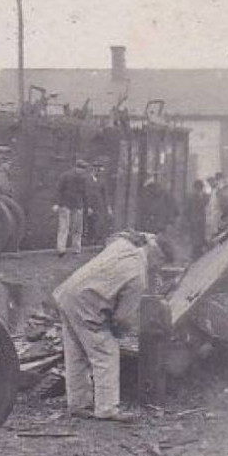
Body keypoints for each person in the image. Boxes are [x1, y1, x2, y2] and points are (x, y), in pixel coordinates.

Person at [51, 232, 170, 421]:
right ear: (158, 255)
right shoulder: (138, 276)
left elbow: (114, 237)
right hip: (86, 304)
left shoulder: (123, 245)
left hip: (67, 294)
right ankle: (107, 409)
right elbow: (122, 317)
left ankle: (78, 404)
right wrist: (122, 332)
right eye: (161, 264)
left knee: (76, 353)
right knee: (106, 353)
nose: (159, 268)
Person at [54, 159, 90, 255]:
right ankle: (61, 249)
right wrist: (57, 203)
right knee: (63, 227)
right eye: (81, 168)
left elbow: (85, 193)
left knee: (77, 228)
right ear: (76, 167)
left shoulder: (83, 178)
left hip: (78, 205)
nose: (82, 171)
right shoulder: (65, 176)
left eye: (83, 169)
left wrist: (87, 206)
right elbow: (58, 190)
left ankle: (76, 249)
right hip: (65, 204)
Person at [83, 161, 112, 244]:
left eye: (99, 170)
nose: (98, 172)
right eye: (97, 169)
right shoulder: (86, 179)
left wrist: (108, 206)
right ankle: (88, 240)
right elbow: (85, 192)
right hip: (88, 204)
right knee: (88, 222)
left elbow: (105, 194)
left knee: (98, 221)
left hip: (99, 204)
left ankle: (96, 240)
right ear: (93, 169)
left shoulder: (102, 180)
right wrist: (87, 206)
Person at [186, 179, 209, 257]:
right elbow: (187, 210)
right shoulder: (191, 197)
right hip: (194, 220)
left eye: (200, 188)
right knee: (195, 238)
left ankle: (197, 252)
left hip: (200, 220)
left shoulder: (204, 196)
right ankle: (195, 253)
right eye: (197, 188)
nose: (198, 190)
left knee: (199, 237)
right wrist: (189, 220)